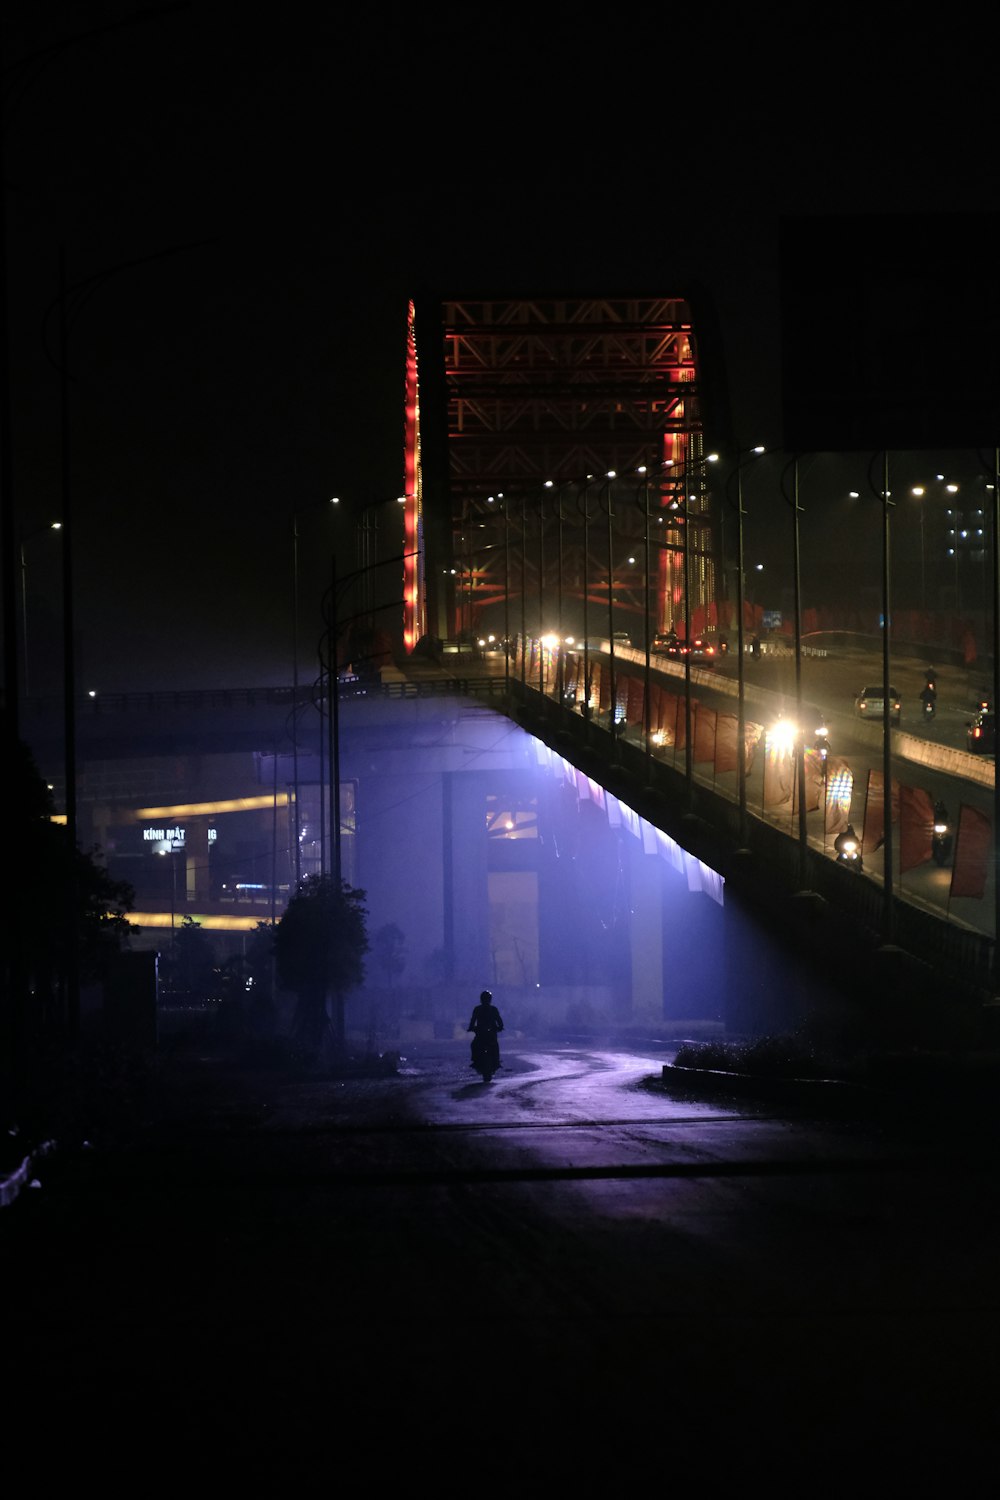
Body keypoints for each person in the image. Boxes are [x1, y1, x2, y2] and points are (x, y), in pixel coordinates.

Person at [467, 989, 504, 1070]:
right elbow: (473, 1020)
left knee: (494, 1045)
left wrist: (500, 1026)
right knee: (474, 1044)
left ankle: (496, 1061)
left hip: (489, 1032)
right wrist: (471, 1027)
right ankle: (476, 1060)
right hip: (482, 1032)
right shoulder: (480, 1009)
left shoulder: (489, 1009)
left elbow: (499, 1019)